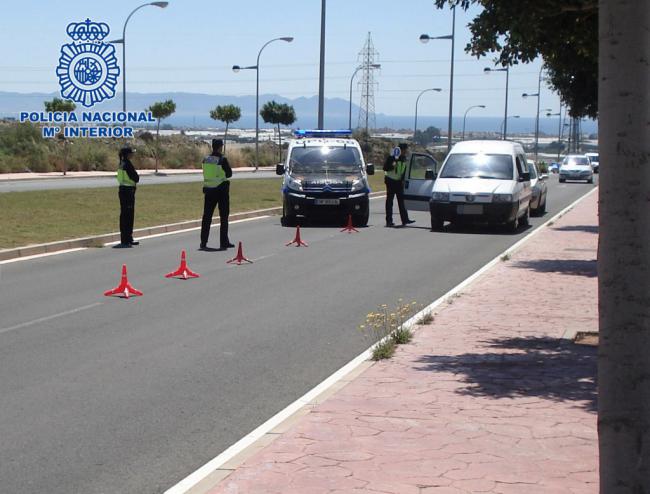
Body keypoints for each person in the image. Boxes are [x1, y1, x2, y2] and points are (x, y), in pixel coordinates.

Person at [200, 139, 234, 251]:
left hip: (208, 190)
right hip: (221, 190)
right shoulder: (222, 159)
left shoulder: (206, 159)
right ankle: (224, 242)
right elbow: (229, 174)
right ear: (220, 147)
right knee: (224, 217)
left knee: (207, 217)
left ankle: (203, 242)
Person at [383, 142, 415, 227]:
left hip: (398, 182)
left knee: (402, 202)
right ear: (402, 150)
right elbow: (385, 168)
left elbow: (403, 170)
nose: (406, 151)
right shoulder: (392, 157)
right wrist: (393, 164)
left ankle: (405, 220)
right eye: (405, 150)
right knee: (390, 202)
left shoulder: (404, 158)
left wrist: (403, 179)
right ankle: (389, 221)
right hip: (390, 181)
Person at [116, 146, 140, 248]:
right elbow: (135, 178)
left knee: (124, 215)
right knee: (129, 216)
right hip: (128, 191)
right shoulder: (128, 164)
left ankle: (125, 238)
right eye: (131, 153)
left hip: (122, 190)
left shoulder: (121, 163)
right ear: (127, 154)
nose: (133, 154)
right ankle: (128, 238)